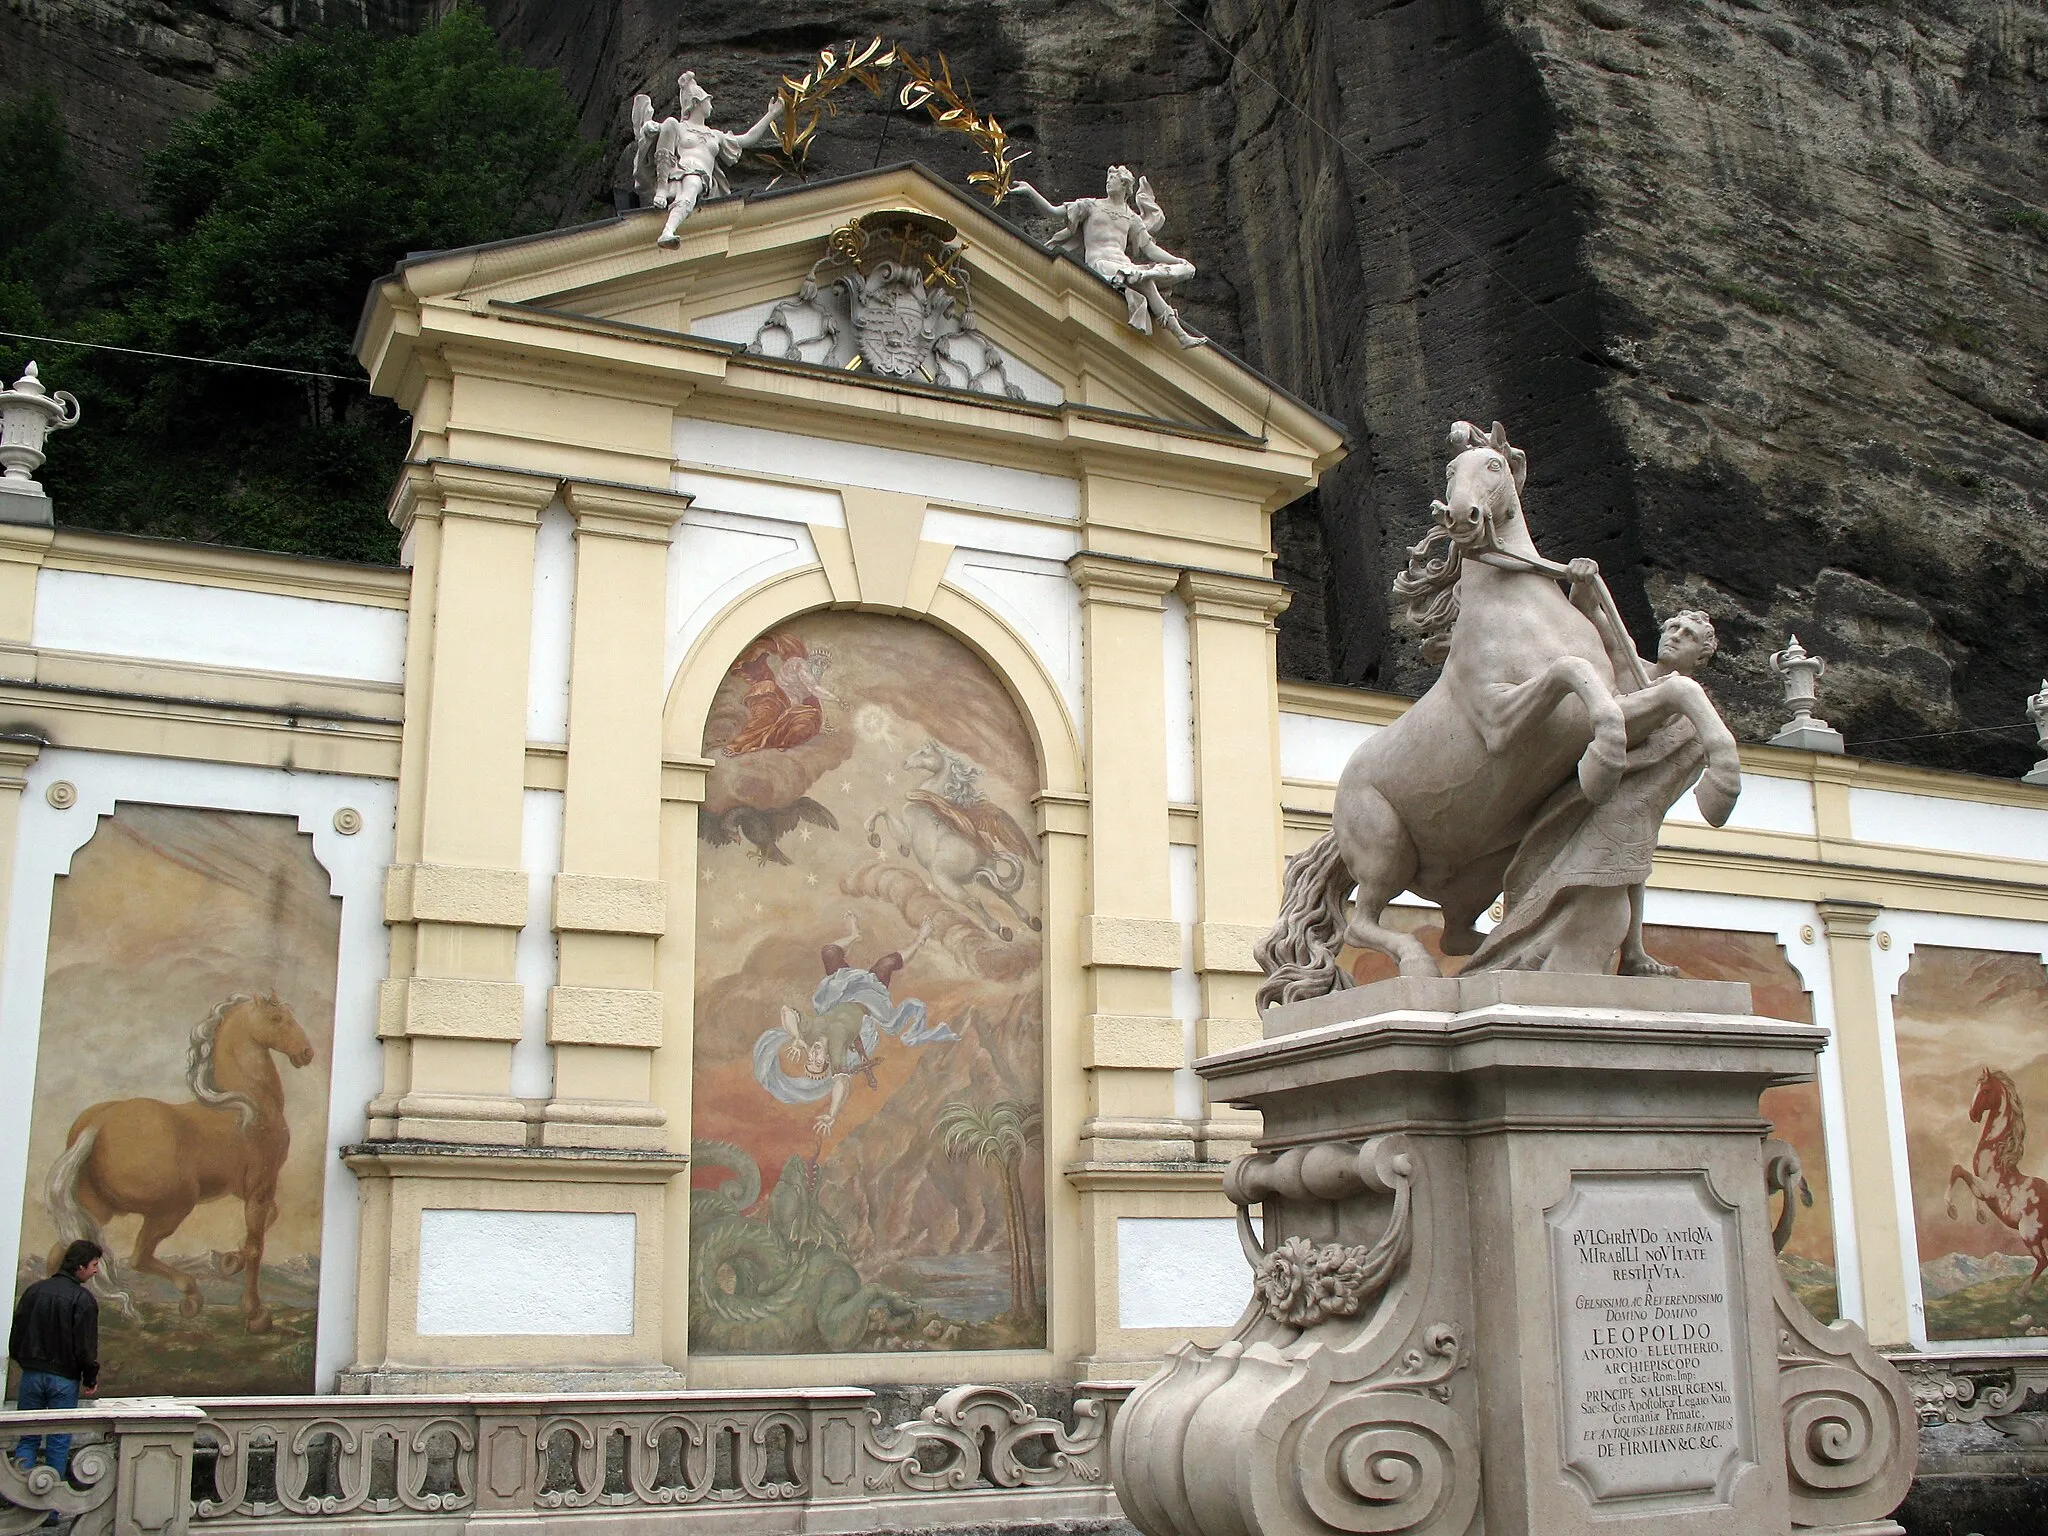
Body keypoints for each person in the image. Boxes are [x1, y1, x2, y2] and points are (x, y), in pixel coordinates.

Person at [1007, 166, 1205, 347]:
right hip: (1100, 263)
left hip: (1123, 263)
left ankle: (1181, 335)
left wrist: (1176, 260)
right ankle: (1180, 335)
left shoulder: (1132, 218)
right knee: (1146, 282)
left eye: (1113, 179)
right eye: (1108, 178)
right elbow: (1053, 211)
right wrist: (1030, 191)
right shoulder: (1090, 206)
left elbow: (1150, 249)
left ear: (1125, 185)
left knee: (1148, 284)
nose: (1108, 182)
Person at [629, 72, 784, 248]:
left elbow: (748, 138)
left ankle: (668, 231)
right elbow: (659, 132)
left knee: (693, 185)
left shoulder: (715, 135)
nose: (711, 104)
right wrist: (649, 128)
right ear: (696, 103)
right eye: (707, 100)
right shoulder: (680, 128)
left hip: (699, 176)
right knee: (670, 122)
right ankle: (662, 189)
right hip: (677, 171)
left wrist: (771, 115)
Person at [9, 1239, 103, 1484]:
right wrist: (90, 1377)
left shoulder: (34, 1291)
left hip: (31, 1375)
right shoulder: (83, 1300)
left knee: (27, 1438)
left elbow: (16, 1335)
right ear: (80, 1266)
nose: (95, 1271)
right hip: (63, 1379)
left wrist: (26, 1362)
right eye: (94, 1265)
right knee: (59, 1441)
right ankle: (51, 1508)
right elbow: (85, 1347)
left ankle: (22, 1502)